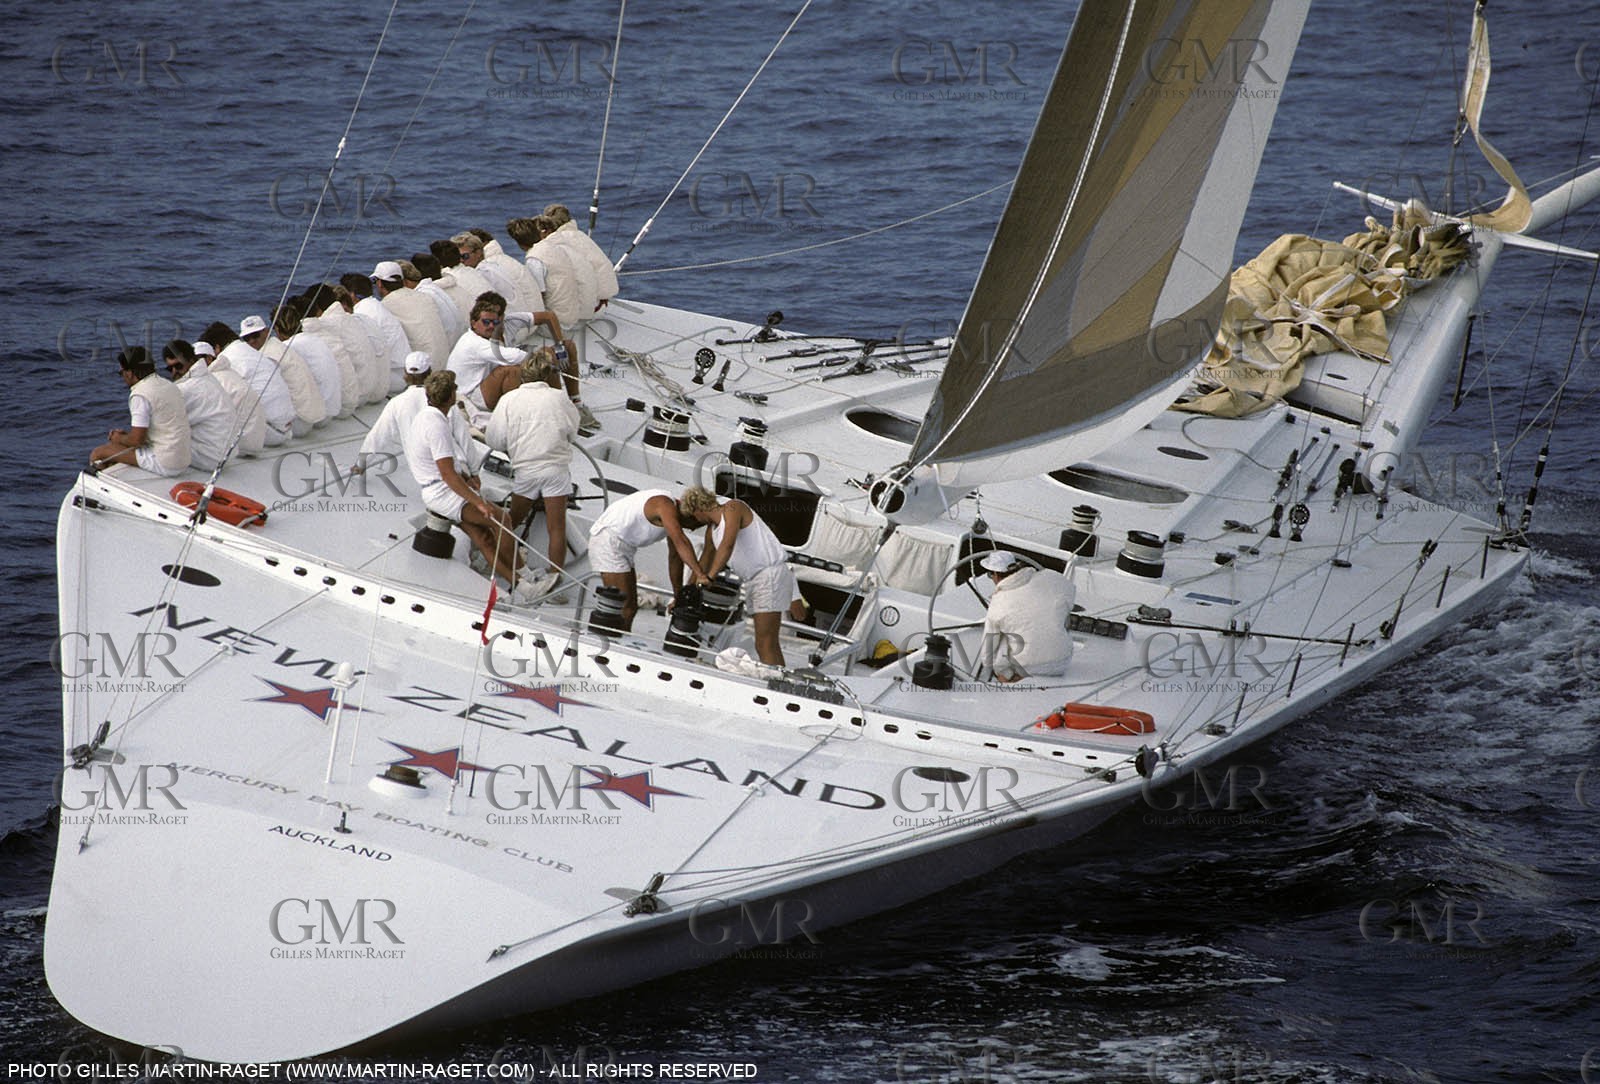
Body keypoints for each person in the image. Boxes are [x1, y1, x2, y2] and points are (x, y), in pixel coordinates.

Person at [405, 371, 522, 591]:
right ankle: (525, 575)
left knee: (483, 537)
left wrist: (467, 477)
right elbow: (448, 474)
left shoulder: (426, 417)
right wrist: (478, 502)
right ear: (451, 397)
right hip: (443, 493)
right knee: (502, 520)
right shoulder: (436, 425)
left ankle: (519, 585)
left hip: (438, 490)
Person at [484, 349, 578, 600]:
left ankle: (503, 563)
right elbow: (573, 430)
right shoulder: (559, 398)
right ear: (547, 375)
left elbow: (494, 438)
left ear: (524, 375)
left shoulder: (509, 400)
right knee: (556, 528)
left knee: (511, 521)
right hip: (556, 470)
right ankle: (553, 579)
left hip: (526, 471)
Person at [678, 486, 798, 666]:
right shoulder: (712, 531)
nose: (696, 521)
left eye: (694, 516)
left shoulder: (733, 508)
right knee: (765, 643)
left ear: (698, 509)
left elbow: (727, 545)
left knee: (765, 642)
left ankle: (779, 683)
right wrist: (687, 590)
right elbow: (704, 560)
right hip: (755, 580)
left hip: (768, 574)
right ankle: (777, 678)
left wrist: (710, 577)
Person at [587, 488, 708, 632]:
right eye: (695, 525)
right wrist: (700, 574)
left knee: (630, 607)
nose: (693, 530)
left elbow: (675, 557)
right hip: (608, 542)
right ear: (691, 515)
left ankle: (620, 640)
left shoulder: (673, 518)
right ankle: (609, 644)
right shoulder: (664, 505)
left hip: (624, 547)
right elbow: (681, 541)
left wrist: (678, 596)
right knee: (624, 608)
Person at [90, 347, 192, 476]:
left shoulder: (140, 394)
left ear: (130, 372)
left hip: (166, 463)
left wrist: (118, 437)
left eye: (121, 372)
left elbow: (136, 441)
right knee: (118, 444)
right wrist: (124, 438)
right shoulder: (168, 384)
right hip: (183, 458)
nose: (123, 377)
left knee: (99, 453)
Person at [977, 551, 1075, 683]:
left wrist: (990, 668)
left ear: (995, 575)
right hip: (1062, 662)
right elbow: (1070, 591)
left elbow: (987, 653)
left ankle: (1005, 680)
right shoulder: (1049, 577)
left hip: (1028, 667)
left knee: (1001, 643)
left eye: (990, 574)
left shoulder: (998, 603)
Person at [221, 315, 295, 446]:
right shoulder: (272, 349)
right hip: (289, 423)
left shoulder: (267, 355)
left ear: (267, 331)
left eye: (255, 335)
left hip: (278, 428)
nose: (252, 341)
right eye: (247, 338)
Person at [164, 340, 235, 472]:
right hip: (227, 454)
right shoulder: (208, 378)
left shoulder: (187, 388)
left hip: (210, 458)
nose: (174, 372)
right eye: (169, 368)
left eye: (178, 366)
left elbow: (165, 427)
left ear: (191, 361)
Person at [373, 260, 452, 374]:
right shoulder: (423, 296)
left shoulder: (386, 305)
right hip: (444, 361)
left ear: (379, 283)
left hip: (424, 369)